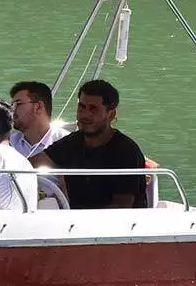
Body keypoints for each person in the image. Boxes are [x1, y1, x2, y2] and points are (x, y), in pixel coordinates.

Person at [29, 80, 147, 209]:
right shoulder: (70, 143)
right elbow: (29, 166)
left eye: (93, 109)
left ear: (111, 114)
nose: (85, 115)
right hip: (75, 223)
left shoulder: (126, 151)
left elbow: (122, 206)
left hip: (120, 226)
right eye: (82, 107)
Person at [8, 80, 71, 158]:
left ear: (38, 107)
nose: (12, 110)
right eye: (12, 105)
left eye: (18, 104)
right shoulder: (8, 144)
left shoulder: (68, 144)